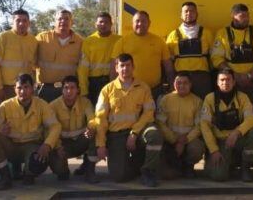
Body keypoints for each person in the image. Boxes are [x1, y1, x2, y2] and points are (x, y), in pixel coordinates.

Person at [95, 53, 163, 187]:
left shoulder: (143, 88)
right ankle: (137, 163)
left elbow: (149, 113)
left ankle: (148, 171)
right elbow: (100, 118)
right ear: (116, 68)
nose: (125, 69)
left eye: (128, 65)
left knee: (154, 134)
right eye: (122, 66)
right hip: (116, 134)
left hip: (138, 131)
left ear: (133, 67)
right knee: (119, 177)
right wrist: (101, 144)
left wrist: (134, 133)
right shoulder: (107, 90)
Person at [0, 74, 60, 189]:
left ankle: (28, 173)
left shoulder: (42, 105)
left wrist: (47, 145)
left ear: (33, 88)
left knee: (37, 165)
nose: (23, 91)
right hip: (11, 146)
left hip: (31, 146)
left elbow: (55, 126)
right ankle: (5, 177)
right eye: (19, 88)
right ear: (14, 89)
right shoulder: (5, 106)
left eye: (26, 87)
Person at [200, 68, 253, 182]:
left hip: (238, 138)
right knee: (219, 176)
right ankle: (224, 163)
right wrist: (214, 150)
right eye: (222, 80)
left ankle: (246, 167)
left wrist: (236, 132)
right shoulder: (210, 98)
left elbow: (251, 119)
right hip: (221, 142)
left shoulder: (242, 97)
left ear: (234, 82)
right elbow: (204, 126)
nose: (225, 83)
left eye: (228, 80)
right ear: (217, 82)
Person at [211, 3, 253, 106]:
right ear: (233, 16)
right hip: (230, 81)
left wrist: (250, 76)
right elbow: (216, 59)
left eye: (247, 15)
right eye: (242, 16)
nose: (246, 19)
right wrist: (235, 77)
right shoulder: (222, 34)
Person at [111, 11, 174, 100]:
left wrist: (172, 86)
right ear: (132, 23)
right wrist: (113, 88)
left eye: (144, 21)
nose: (140, 24)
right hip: (130, 90)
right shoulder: (122, 42)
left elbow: (168, 67)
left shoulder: (159, 41)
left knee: (152, 113)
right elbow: (114, 67)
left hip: (155, 89)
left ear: (149, 23)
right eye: (137, 21)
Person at [48, 75, 98, 184]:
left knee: (95, 134)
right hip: (62, 145)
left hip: (81, 141)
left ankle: (90, 170)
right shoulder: (52, 106)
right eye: (66, 88)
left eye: (72, 88)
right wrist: (57, 147)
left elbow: (92, 119)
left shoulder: (86, 102)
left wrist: (91, 128)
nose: (69, 91)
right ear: (62, 90)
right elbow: (49, 130)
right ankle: (63, 171)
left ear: (78, 90)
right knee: (61, 173)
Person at [156, 73, 206, 178]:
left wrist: (185, 140)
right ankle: (174, 166)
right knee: (168, 176)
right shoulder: (165, 100)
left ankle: (188, 166)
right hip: (170, 141)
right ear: (174, 84)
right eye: (178, 83)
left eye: (185, 83)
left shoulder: (197, 101)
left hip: (189, 140)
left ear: (190, 85)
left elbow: (200, 126)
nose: (182, 86)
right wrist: (174, 139)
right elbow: (160, 123)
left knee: (197, 148)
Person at [0, 9, 38, 104]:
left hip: (26, 88)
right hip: (5, 88)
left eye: (24, 21)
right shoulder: (1, 38)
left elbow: (34, 66)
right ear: (12, 22)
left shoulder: (33, 41)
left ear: (29, 23)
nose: (21, 23)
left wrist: (33, 86)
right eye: (18, 20)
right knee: (3, 117)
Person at [166, 2, 214, 99]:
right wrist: (171, 80)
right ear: (181, 15)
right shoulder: (173, 35)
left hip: (201, 78)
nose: (189, 13)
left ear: (197, 14)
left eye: (192, 11)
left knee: (203, 104)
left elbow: (214, 57)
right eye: (186, 11)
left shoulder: (207, 33)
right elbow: (168, 60)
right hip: (181, 78)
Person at [36, 10, 83, 102]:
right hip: (46, 89)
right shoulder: (41, 38)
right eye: (60, 19)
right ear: (54, 22)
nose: (63, 21)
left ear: (71, 22)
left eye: (66, 19)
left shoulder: (80, 41)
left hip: (69, 89)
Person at [77, 12, 121, 105]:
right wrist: (84, 90)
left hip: (114, 81)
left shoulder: (119, 40)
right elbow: (83, 68)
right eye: (100, 22)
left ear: (111, 24)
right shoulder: (88, 41)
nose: (103, 24)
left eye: (106, 22)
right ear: (95, 24)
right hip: (94, 83)